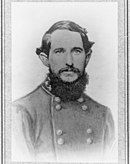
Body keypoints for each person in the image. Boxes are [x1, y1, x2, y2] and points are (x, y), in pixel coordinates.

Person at [12, 20, 115, 162]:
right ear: (45, 59)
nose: (69, 62)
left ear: (87, 57)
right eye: (59, 51)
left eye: (76, 51)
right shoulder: (22, 112)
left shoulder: (103, 115)